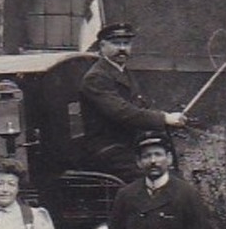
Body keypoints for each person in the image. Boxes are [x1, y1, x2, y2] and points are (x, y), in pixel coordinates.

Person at [79, 22, 189, 181]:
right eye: (116, 44)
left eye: (126, 43)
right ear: (102, 46)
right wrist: (164, 118)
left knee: (169, 171)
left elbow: (140, 106)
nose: (122, 48)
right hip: (108, 149)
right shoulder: (96, 77)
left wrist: (169, 117)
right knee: (156, 178)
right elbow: (122, 112)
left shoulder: (122, 71)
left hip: (129, 144)